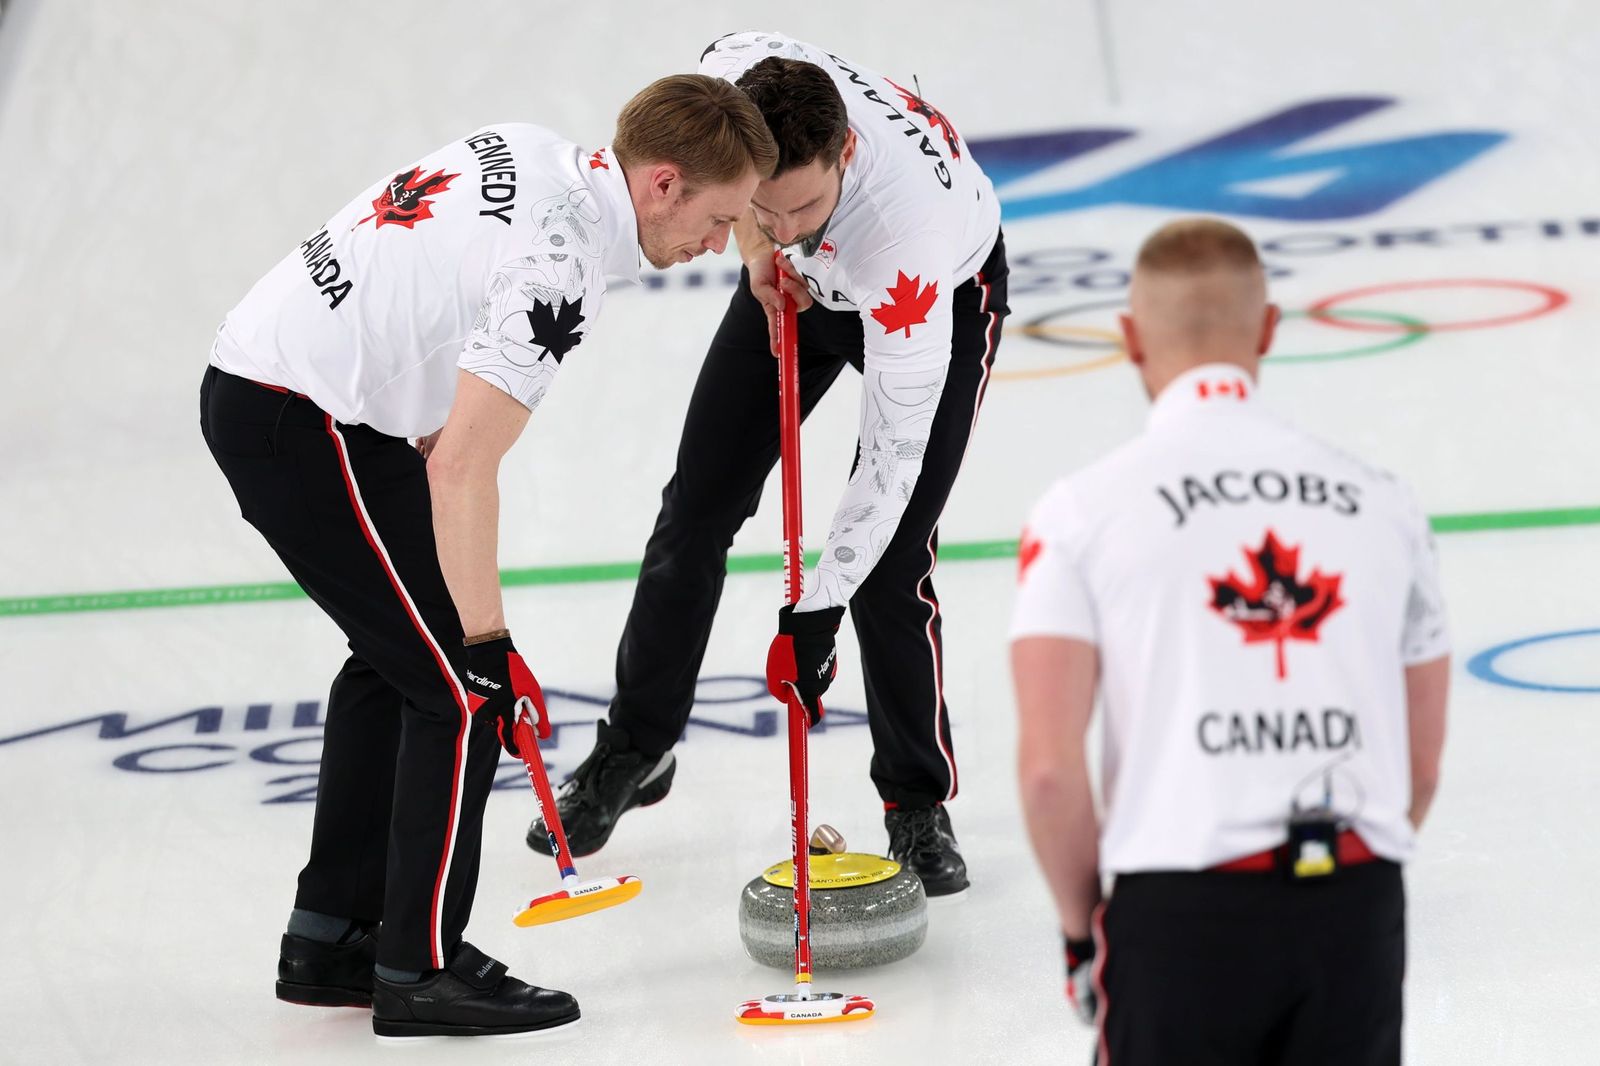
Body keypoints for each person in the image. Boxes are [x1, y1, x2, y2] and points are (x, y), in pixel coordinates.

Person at [200, 76, 776, 1038]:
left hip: (302, 393)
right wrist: (490, 642)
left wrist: (426, 423)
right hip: (297, 416)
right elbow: (465, 469)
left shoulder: (541, 147)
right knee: (462, 695)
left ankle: (332, 938)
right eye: (719, 220)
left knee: (399, 668)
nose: (719, 246)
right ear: (664, 184)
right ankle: (417, 970)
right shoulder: (562, 261)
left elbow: (430, 283)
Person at [532, 31, 1007, 898]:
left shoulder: (906, 241)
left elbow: (890, 471)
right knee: (696, 509)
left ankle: (915, 801)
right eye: (765, 205)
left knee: (892, 558)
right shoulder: (733, 80)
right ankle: (638, 749)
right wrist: (762, 252)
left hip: (926, 300)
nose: (786, 227)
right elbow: (759, 199)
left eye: (804, 208)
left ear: (847, 152)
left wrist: (816, 610)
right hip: (800, 294)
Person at [1010, 217, 1450, 1065]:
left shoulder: (1082, 511)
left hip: (1181, 920)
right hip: (1353, 906)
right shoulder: (1386, 502)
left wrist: (1080, 934)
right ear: (1270, 329)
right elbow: (1421, 768)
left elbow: (1050, 772)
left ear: (1130, 339)